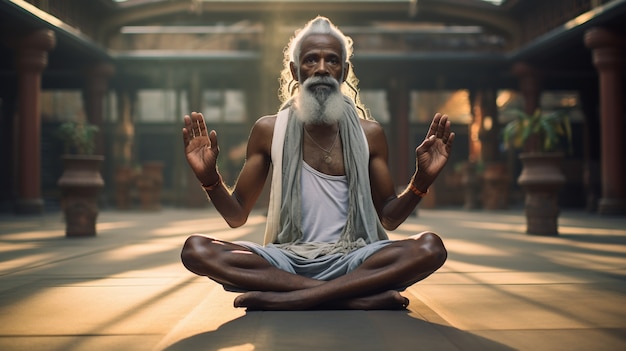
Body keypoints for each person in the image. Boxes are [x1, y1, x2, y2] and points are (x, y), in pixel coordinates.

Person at [180, 16, 455, 311]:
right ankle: (352, 296)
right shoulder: (269, 130)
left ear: (344, 71)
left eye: (332, 61)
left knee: (430, 247)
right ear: (295, 70)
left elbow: (388, 218)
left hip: (356, 256)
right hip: (287, 257)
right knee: (196, 250)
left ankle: (293, 296)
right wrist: (210, 179)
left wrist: (421, 181)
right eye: (311, 60)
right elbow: (236, 216)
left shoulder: (370, 134)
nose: (322, 68)